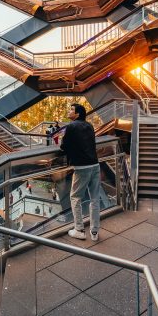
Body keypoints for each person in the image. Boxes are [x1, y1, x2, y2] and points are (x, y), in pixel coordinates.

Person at [59, 103, 100, 242]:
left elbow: (64, 147)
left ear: (77, 114)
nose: (69, 111)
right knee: (94, 198)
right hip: (95, 165)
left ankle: (79, 229)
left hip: (82, 167)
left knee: (75, 197)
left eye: (71, 109)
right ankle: (94, 232)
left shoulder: (70, 127)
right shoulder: (89, 126)